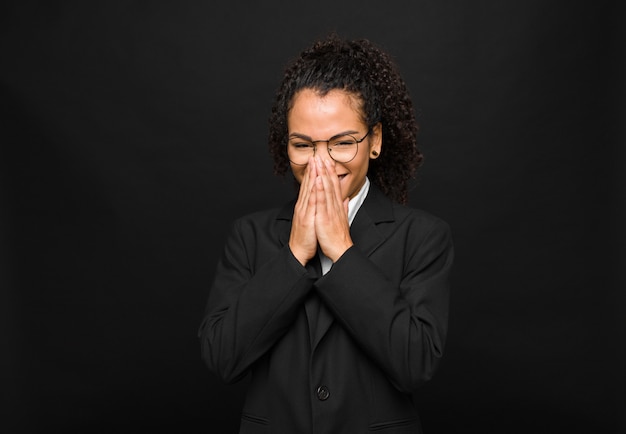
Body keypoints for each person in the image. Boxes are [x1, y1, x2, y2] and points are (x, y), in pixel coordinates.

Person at [198, 35, 453, 433]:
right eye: (303, 145)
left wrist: (342, 252)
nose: (320, 163)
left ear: (375, 141)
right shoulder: (249, 235)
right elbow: (223, 359)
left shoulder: (423, 236)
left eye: (342, 143)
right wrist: (294, 254)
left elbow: (415, 363)